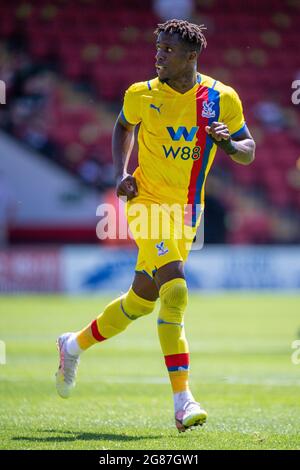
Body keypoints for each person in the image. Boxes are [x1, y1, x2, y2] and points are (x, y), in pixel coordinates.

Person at [55, 19, 255, 432]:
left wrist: (228, 144)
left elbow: (248, 150)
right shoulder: (141, 94)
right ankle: (184, 401)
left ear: (191, 56)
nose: (158, 55)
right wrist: (119, 173)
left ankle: (72, 344)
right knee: (176, 290)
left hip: (186, 210)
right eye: (157, 48)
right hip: (145, 201)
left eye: (168, 50)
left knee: (141, 301)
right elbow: (123, 125)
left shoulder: (222, 98)